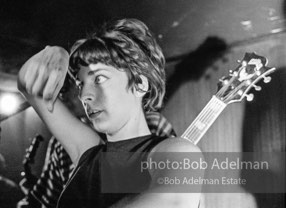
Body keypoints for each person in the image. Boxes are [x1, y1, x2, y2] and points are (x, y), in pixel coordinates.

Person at [18, 18, 203, 207]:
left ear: (139, 85)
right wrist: (54, 53)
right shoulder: (88, 152)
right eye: (81, 84)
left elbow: (172, 201)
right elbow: (28, 87)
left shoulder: (178, 151)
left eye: (99, 79)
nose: (84, 95)